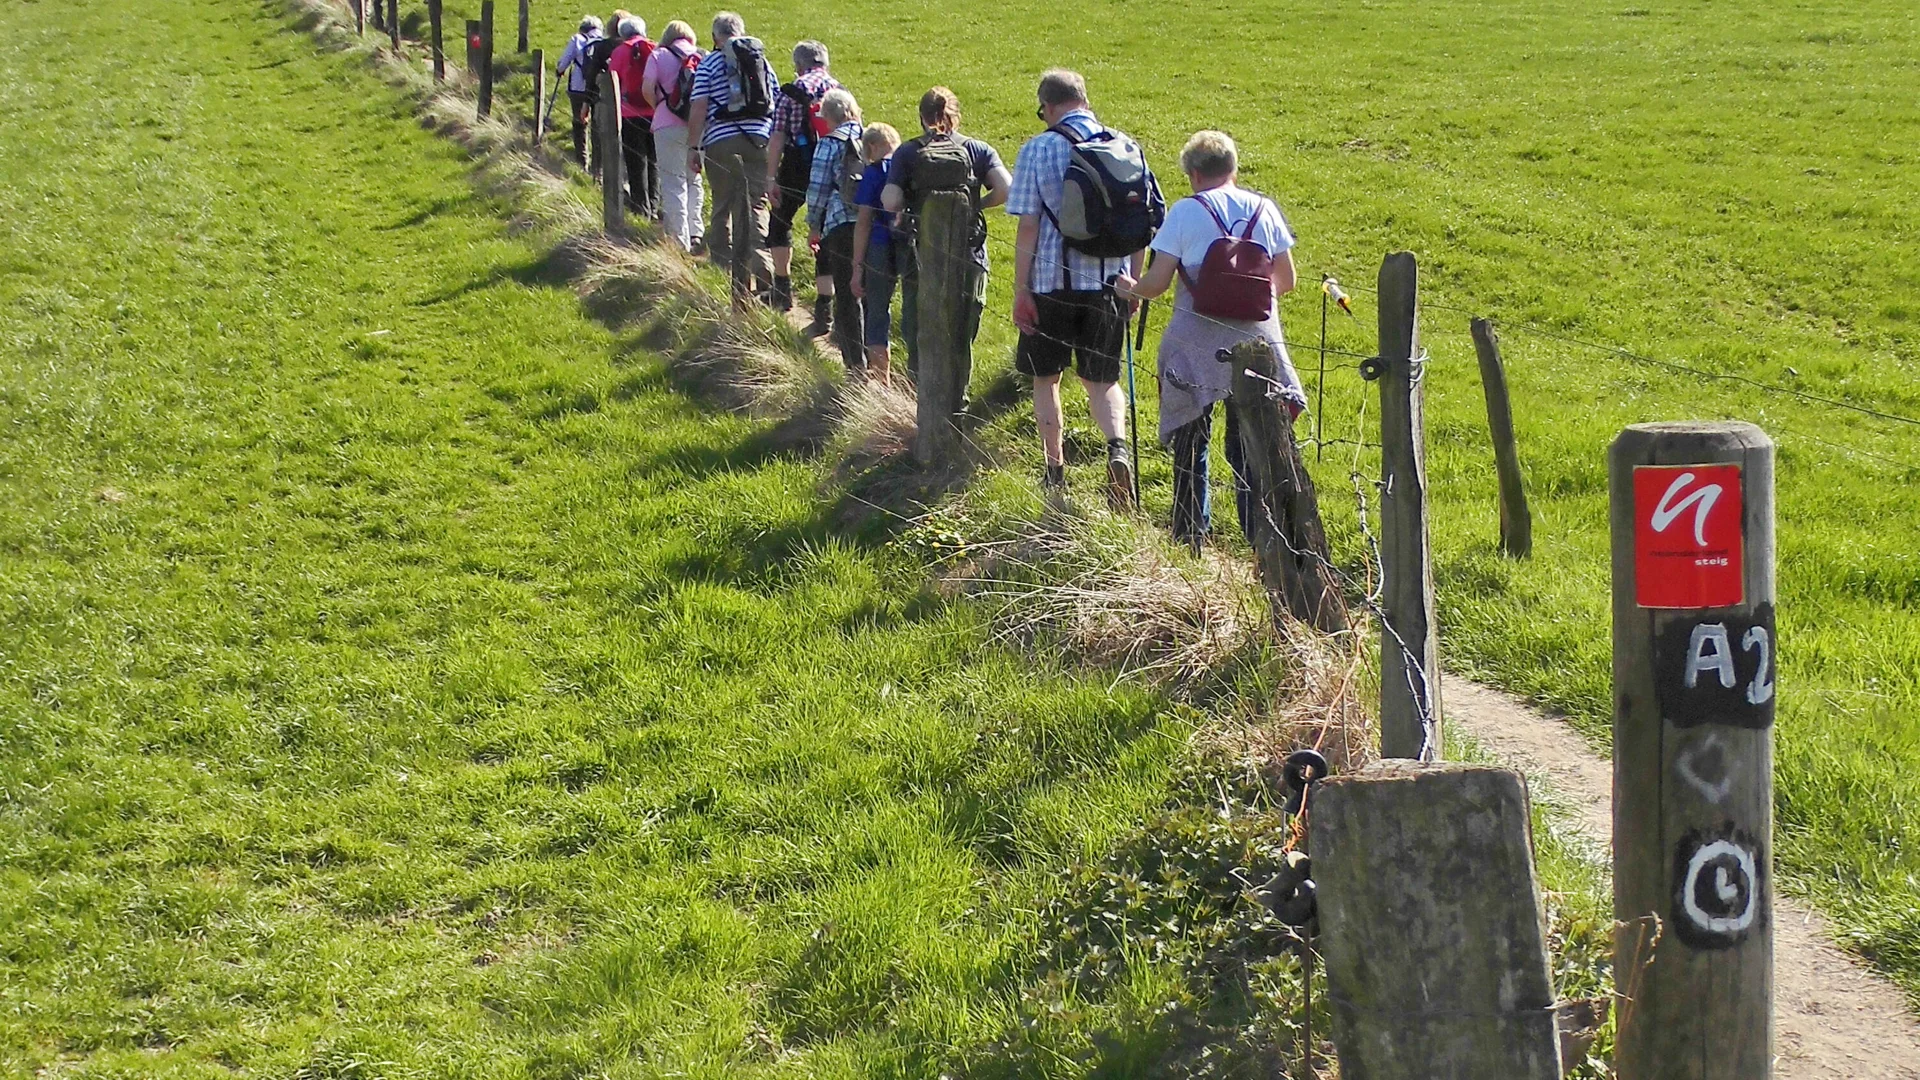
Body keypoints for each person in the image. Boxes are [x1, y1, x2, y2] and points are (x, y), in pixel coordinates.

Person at [1114, 130, 1306, 550]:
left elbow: (1156, 283)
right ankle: (1260, 539)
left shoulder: (1185, 211)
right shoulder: (1265, 209)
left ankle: (1190, 534)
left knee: (1191, 441)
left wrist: (1130, 288)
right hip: (1256, 342)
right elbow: (1287, 281)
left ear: (1194, 174)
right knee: (1249, 447)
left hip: (1194, 343)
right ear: (1233, 168)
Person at [1007, 69, 1162, 506]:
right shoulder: (1125, 146)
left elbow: (1028, 227)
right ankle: (1117, 448)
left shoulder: (1038, 149)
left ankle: (1055, 470)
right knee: (1103, 379)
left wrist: (1021, 290)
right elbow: (1143, 224)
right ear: (1084, 100)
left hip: (1050, 283)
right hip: (1110, 285)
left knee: (1046, 377)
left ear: (1048, 106)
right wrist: (1133, 283)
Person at [882, 86, 1009, 404]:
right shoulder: (978, 150)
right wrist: (976, 206)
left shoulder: (908, 152)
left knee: (919, 328)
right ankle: (958, 403)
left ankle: (922, 399)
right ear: (957, 115)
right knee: (961, 333)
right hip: (969, 254)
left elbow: (890, 199)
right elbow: (1005, 188)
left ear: (921, 116)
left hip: (921, 256)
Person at [687, 11, 777, 310]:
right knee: (756, 204)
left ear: (715, 37)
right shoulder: (761, 60)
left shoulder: (709, 64)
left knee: (723, 204)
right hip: (760, 141)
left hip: (721, 141)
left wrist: (694, 146)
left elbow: (699, 106)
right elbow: (775, 101)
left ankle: (724, 270)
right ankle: (762, 264)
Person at [765, 41, 840, 328]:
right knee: (825, 231)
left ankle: (782, 289)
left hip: (798, 163)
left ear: (798, 65)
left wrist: (771, 177)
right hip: (830, 165)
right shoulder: (839, 91)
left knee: (780, 221)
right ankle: (824, 307)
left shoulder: (790, 92)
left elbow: (777, 137)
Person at [805, 89, 866, 376]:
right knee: (872, 294)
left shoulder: (829, 143)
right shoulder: (873, 137)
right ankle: (878, 360)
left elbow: (818, 188)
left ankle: (855, 366)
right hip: (875, 224)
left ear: (829, 116)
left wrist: (814, 225)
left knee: (847, 295)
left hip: (841, 225)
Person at [642, 20, 705, 253]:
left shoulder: (658, 55)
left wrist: (660, 106)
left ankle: (679, 240)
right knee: (693, 179)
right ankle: (696, 232)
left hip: (667, 124)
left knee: (672, 182)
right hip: (698, 126)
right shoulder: (702, 56)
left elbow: (647, 89)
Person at [851, 123, 902, 383]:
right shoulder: (910, 165)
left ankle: (883, 381)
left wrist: (857, 267)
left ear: (872, 145)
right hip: (912, 243)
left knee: (877, 311)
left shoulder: (875, 171)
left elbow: (863, 221)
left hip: (881, 243)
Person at [607, 16, 658, 218]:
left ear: (622, 33)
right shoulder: (655, 48)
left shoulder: (619, 52)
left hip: (629, 113)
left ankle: (641, 208)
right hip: (654, 112)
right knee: (654, 161)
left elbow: (611, 81)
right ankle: (654, 204)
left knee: (636, 162)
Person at [555, 16, 605, 169]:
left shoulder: (577, 39)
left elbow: (563, 64)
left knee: (579, 124)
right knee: (597, 128)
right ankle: (597, 168)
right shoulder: (604, 42)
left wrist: (559, 71)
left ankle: (581, 162)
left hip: (578, 88)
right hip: (598, 90)